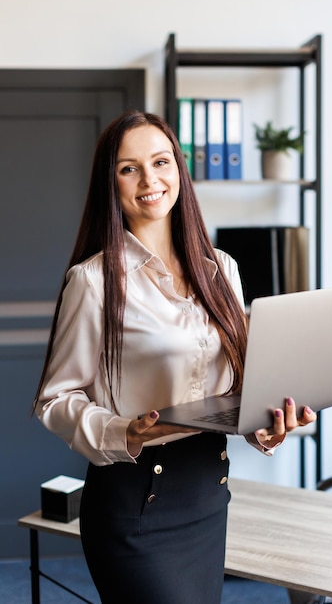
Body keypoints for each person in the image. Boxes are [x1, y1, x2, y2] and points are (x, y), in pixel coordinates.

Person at [33, 110, 317, 604]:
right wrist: (126, 431)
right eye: (129, 168)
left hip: (209, 495)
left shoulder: (221, 269)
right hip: (135, 505)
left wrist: (265, 425)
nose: (149, 180)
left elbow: (231, 389)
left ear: (179, 171)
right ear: (111, 182)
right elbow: (55, 401)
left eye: (161, 162)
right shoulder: (94, 281)